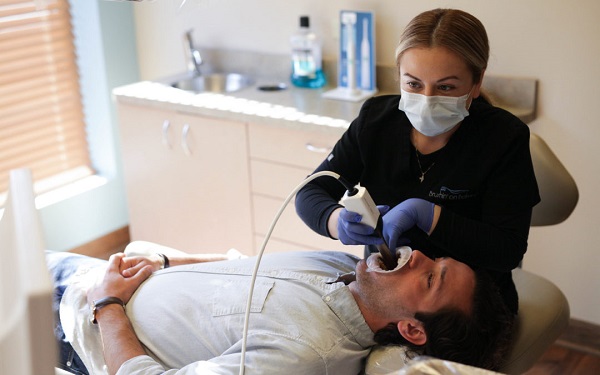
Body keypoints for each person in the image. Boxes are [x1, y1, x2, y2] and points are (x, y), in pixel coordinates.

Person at [295, 8, 540, 314]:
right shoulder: (375, 122)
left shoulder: (503, 138)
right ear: (399, 76)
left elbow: (507, 251)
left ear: (476, 83)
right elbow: (310, 192)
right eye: (413, 84)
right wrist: (336, 222)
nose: (427, 99)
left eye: (446, 87)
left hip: (465, 310)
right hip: (386, 295)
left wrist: (431, 216)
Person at [48, 245, 514, 375]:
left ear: (412, 330)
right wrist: (167, 261)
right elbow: (244, 265)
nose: (415, 255)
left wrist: (107, 304)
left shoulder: (306, 355)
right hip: (94, 276)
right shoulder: (341, 267)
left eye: (429, 278)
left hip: (73, 324)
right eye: (436, 259)